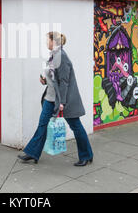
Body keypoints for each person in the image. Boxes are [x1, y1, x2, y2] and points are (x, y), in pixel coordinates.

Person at [18, 32, 94, 166]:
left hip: (63, 100)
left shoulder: (61, 56)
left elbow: (64, 81)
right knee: (42, 125)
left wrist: (62, 103)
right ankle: (32, 153)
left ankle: (86, 155)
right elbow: (55, 78)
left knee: (75, 126)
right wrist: (45, 81)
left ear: (54, 41)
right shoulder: (53, 56)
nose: (46, 43)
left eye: (47, 40)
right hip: (50, 98)